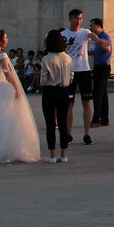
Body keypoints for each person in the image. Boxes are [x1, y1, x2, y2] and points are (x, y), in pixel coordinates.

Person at [61, 9, 108, 145]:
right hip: (69, 72)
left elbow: (93, 37)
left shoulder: (85, 32)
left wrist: (99, 41)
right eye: (76, 18)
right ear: (70, 19)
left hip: (84, 71)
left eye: (80, 18)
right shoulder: (63, 34)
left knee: (86, 103)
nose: (78, 21)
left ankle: (87, 134)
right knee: (69, 104)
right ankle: (69, 134)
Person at [40, 29, 74, 163]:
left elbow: (43, 80)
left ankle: (52, 155)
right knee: (63, 123)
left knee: (50, 124)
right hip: (64, 91)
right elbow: (71, 77)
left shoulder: (46, 59)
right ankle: (63, 154)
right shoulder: (68, 58)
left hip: (50, 91)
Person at [88, 18, 113, 128]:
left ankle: (96, 119)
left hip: (103, 67)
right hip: (98, 66)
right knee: (103, 94)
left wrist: (96, 39)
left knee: (97, 93)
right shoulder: (98, 37)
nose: (90, 28)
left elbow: (108, 48)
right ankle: (104, 119)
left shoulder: (104, 36)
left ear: (98, 26)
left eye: (92, 26)